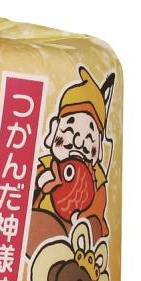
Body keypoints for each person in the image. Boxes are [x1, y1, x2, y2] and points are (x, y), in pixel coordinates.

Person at [28, 67, 114, 255]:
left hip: (80, 239)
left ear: (99, 148)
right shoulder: (47, 165)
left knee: (90, 228)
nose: (79, 142)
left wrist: (82, 219)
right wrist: (41, 182)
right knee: (34, 224)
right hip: (46, 228)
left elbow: (97, 209)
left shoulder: (97, 179)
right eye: (70, 130)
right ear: (54, 130)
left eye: (89, 136)